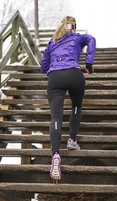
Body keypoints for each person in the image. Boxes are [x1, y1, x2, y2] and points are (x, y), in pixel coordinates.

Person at [40, 16, 96, 181]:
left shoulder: (53, 41)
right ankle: (72, 140)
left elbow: (43, 66)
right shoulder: (78, 37)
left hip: (55, 77)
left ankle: (55, 154)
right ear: (73, 27)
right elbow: (91, 39)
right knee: (76, 106)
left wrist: (52, 69)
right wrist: (89, 62)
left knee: (56, 116)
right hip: (74, 74)